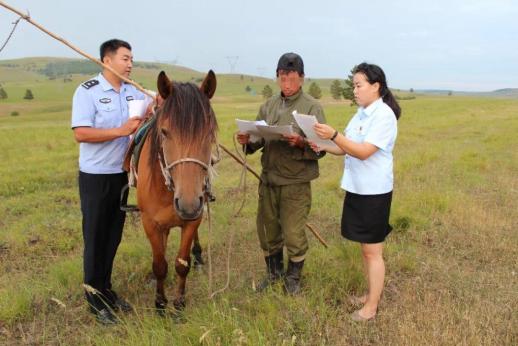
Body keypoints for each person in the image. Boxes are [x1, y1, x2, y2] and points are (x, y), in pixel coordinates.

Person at [311, 62, 400, 321]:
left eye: (359, 85)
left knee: (373, 252)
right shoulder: (361, 113)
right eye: (353, 86)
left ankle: (371, 307)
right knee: (365, 249)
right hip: (358, 189)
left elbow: (363, 152)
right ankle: (369, 294)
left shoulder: (383, 115)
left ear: (376, 86)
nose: (355, 91)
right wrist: (324, 145)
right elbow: (347, 146)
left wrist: (334, 134)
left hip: (374, 192)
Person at [237, 52, 326, 294]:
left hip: (295, 182)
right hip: (268, 180)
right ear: (277, 77)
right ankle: (274, 274)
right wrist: (247, 140)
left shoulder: (312, 107)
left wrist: (301, 143)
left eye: (291, 78)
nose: (286, 84)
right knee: (267, 230)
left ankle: (293, 279)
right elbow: (256, 141)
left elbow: (321, 149)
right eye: (282, 78)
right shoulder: (268, 105)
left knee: (294, 233)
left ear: (302, 78)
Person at [71, 39, 146, 324]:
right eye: (125, 58)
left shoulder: (133, 91)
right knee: (95, 237)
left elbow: (159, 102)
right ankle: (93, 298)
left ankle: (106, 289)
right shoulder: (87, 91)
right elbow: (81, 133)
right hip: (95, 177)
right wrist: (120, 131)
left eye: (131, 59)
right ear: (107, 60)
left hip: (122, 176)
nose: (130, 64)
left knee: (113, 237)